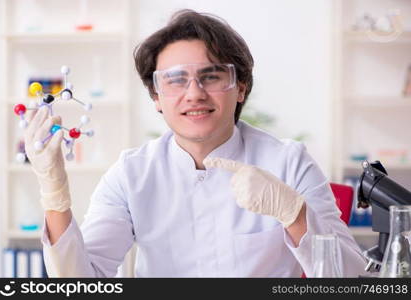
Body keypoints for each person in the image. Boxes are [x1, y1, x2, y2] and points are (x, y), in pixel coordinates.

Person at [24, 9, 366, 277]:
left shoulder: (289, 162)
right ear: (156, 97)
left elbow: (348, 279)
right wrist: (54, 194)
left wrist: (295, 214)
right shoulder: (131, 174)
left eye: (211, 76)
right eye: (175, 80)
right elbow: (81, 282)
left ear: (241, 88)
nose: (194, 94)